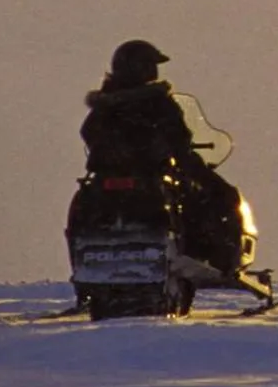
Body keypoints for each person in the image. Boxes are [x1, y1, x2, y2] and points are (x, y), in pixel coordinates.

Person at [73, 39, 245, 292]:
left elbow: (88, 134)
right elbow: (180, 146)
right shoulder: (158, 104)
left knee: (82, 207)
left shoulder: (103, 106)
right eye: (150, 65)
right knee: (218, 198)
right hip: (150, 177)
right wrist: (213, 183)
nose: (154, 71)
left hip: (103, 181)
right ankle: (217, 262)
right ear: (140, 69)